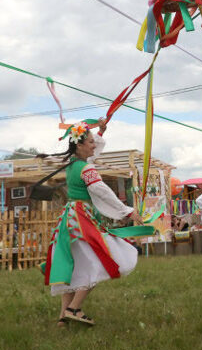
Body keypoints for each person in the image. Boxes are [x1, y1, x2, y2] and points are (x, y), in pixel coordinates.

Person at [41, 120, 144, 327]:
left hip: (69, 218)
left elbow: (91, 155)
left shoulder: (73, 163)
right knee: (101, 261)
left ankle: (63, 317)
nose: (94, 145)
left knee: (75, 265)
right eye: (90, 142)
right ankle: (73, 309)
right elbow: (103, 192)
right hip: (81, 219)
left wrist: (100, 131)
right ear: (79, 145)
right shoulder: (86, 169)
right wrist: (128, 211)